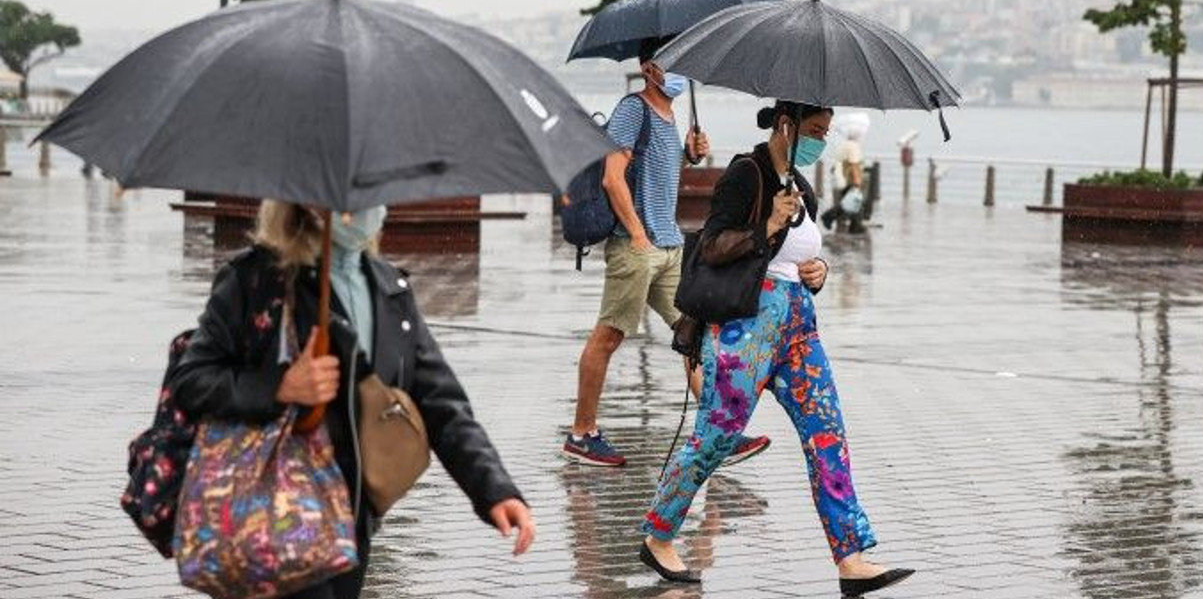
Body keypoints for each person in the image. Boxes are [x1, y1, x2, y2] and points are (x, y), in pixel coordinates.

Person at [171, 202, 535, 599]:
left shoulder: (389, 288)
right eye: (358, 195)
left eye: (377, 195)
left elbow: (441, 403)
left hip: (351, 517)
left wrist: (495, 489)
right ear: (311, 202)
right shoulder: (256, 280)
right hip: (269, 509)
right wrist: (279, 386)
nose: (371, 207)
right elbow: (192, 379)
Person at [638, 102, 914, 597]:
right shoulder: (747, 174)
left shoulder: (802, 186)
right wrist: (765, 226)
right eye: (813, 130)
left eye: (826, 132)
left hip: (798, 327)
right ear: (786, 125)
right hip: (746, 326)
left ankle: (850, 557)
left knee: (827, 432)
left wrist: (820, 273)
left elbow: (803, 258)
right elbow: (711, 245)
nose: (820, 141)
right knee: (716, 437)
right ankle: (659, 534)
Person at [563, 37, 771, 468]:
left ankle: (719, 434)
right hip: (636, 247)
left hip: (669, 246)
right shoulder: (632, 110)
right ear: (648, 67)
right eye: (668, 62)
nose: (676, 71)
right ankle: (582, 434)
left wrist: (687, 156)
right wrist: (637, 235)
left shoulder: (669, 114)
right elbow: (612, 177)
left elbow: (656, 174)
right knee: (609, 335)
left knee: (694, 332)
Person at [822, 112, 870, 233]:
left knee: (850, 202)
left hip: (842, 178)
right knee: (853, 202)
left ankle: (854, 225)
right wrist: (857, 181)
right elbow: (854, 165)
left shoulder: (844, 144)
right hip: (849, 179)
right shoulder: (853, 146)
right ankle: (831, 217)